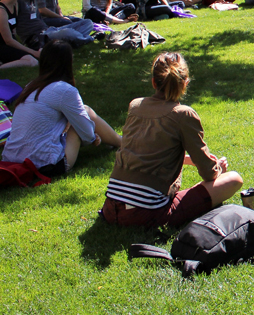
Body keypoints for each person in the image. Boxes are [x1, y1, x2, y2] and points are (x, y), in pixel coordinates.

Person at [100, 52, 244, 228]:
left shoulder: (135, 105)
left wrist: (188, 161)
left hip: (110, 208)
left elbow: (145, 152)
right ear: (185, 83)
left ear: (154, 82)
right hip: (146, 213)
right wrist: (218, 169)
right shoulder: (183, 114)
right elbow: (209, 173)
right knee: (234, 179)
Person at [2, 39, 122, 176]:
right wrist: (92, 137)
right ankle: (120, 141)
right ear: (68, 62)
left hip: (12, 159)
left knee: (76, 119)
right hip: (46, 165)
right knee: (85, 113)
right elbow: (87, 133)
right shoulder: (65, 90)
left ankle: (117, 140)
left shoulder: (31, 86)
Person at [17, 0, 94, 48]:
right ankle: (87, 38)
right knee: (68, 32)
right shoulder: (19, 3)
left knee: (88, 23)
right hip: (40, 37)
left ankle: (72, 40)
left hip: (49, 30)